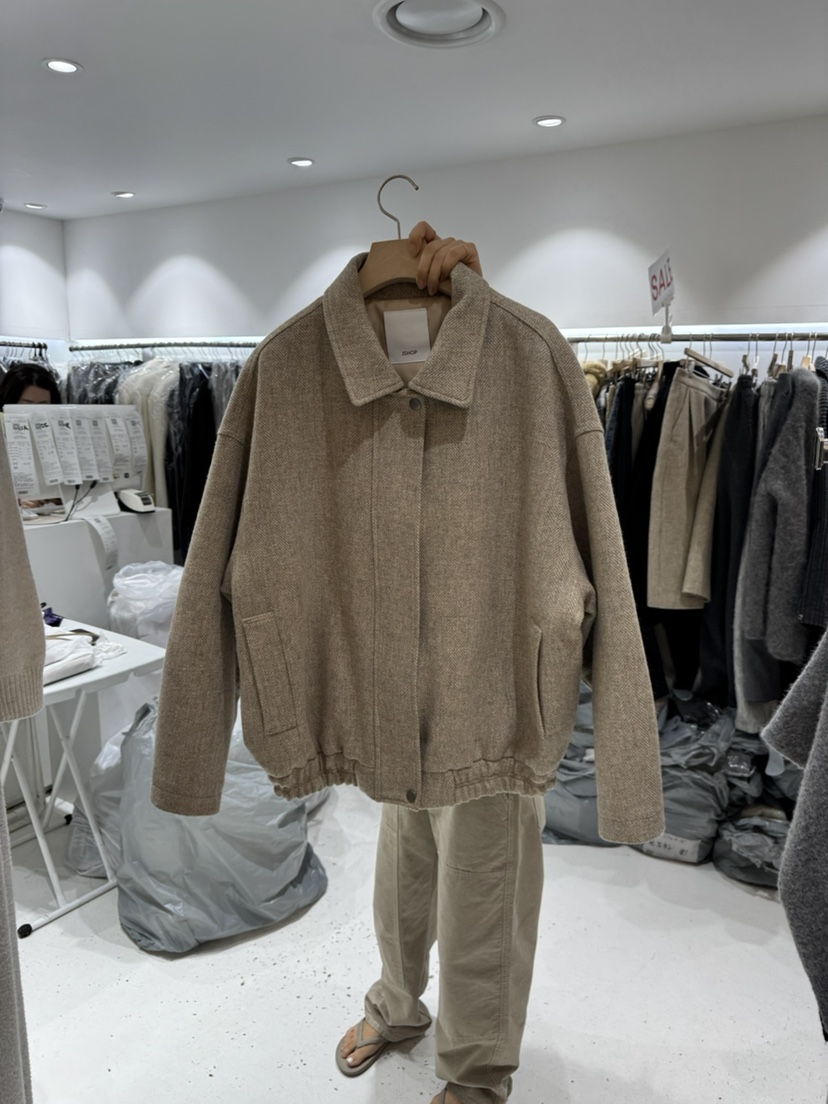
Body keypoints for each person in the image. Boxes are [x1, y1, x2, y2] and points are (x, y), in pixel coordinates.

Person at [336, 223, 527, 1104]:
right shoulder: (339, 367)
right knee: (403, 859)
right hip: (395, 675)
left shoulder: (522, 363)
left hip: (490, 681)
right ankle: (398, 1003)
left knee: (484, 878)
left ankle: (477, 1069)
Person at [0, 362, 62, 509]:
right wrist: (15, 501)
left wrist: (58, 496)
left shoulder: (58, 433)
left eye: (43, 405)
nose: (34, 412)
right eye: (26, 405)